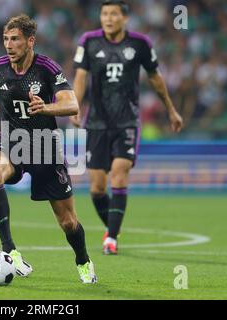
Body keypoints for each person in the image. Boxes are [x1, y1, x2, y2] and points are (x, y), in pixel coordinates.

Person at [0, 14, 97, 283]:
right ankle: (10, 250)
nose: (9, 45)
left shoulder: (47, 68)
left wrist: (46, 107)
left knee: (68, 222)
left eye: (15, 40)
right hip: (11, 142)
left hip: (45, 148)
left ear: (30, 41)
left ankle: (82, 259)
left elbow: (72, 105)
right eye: (6, 39)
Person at [71, 0, 183, 255]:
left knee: (120, 173)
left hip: (127, 121)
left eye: (113, 14)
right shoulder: (88, 41)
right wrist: (75, 105)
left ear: (125, 18)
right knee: (97, 188)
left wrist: (171, 109)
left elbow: (155, 77)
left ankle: (111, 238)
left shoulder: (140, 44)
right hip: (97, 123)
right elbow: (80, 77)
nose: (108, 18)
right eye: (104, 13)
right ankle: (114, 227)